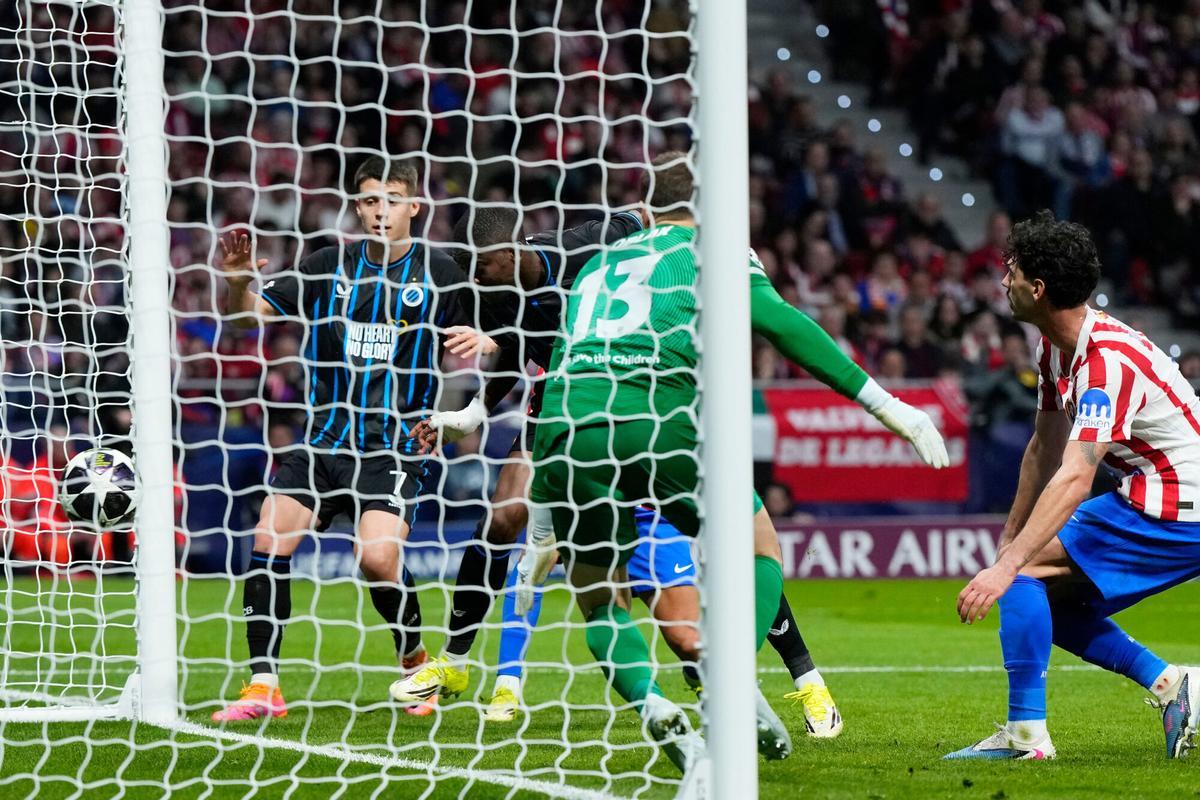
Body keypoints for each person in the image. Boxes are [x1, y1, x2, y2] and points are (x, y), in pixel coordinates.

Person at [514, 151, 949, 770]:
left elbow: (555, 369)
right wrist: (889, 406)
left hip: (565, 427)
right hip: (654, 418)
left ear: (643, 208)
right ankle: (728, 676)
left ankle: (652, 705)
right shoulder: (711, 252)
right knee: (759, 548)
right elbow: (783, 324)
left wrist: (540, 521)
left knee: (601, 602)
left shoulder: (597, 264)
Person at [210, 156, 496, 722]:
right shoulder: (326, 265)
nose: (379, 211)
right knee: (267, 538)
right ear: (357, 207)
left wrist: (486, 341)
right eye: (369, 200)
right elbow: (245, 320)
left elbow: (505, 330)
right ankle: (263, 686)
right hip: (323, 440)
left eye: (391, 199)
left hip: (393, 443)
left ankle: (415, 665)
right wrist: (239, 279)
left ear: (415, 206)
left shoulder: (445, 271)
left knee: (376, 558)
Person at [948, 211, 1200, 760]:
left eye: (1010, 271)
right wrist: (1007, 544)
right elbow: (1043, 447)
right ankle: (1173, 686)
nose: (1003, 282)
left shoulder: (1106, 365)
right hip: (1165, 492)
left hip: (1180, 498)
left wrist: (1011, 563)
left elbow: (1076, 472)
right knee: (1038, 591)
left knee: (1026, 574)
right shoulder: (1054, 348)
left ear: (1037, 289)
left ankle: (1026, 739)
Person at [386, 204, 645, 708]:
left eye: (482, 264)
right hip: (552, 403)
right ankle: (456, 662)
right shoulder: (490, 295)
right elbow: (513, 350)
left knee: (618, 567)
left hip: (621, 399)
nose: (475, 276)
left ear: (509, 251)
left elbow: (641, 218)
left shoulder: (581, 245)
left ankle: (758, 672)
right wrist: (475, 410)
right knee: (502, 521)